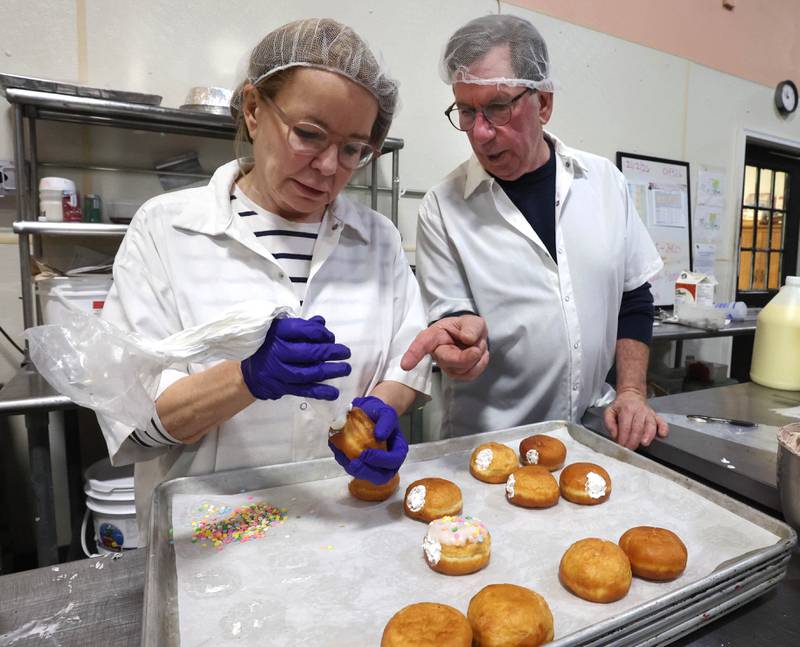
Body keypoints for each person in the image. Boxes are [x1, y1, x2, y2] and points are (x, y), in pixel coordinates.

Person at [97, 18, 430, 530]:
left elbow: (404, 361)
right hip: (209, 539)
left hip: (342, 525)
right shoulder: (166, 230)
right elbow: (136, 427)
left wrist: (379, 415)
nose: (327, 167)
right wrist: (246, 378)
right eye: (309, 134)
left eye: (352, 150)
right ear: (253, 109)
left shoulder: (379, 239)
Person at [401, 14, 667, 450]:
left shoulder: (602, 182)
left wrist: (633, 393)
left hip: (594, 431)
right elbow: (450, 320)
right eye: (467, 111)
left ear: (543, 103)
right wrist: (458, 351)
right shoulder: (443, 207)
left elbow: (634, 298)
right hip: (491, 447)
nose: (481, 133)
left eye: (498, 107)